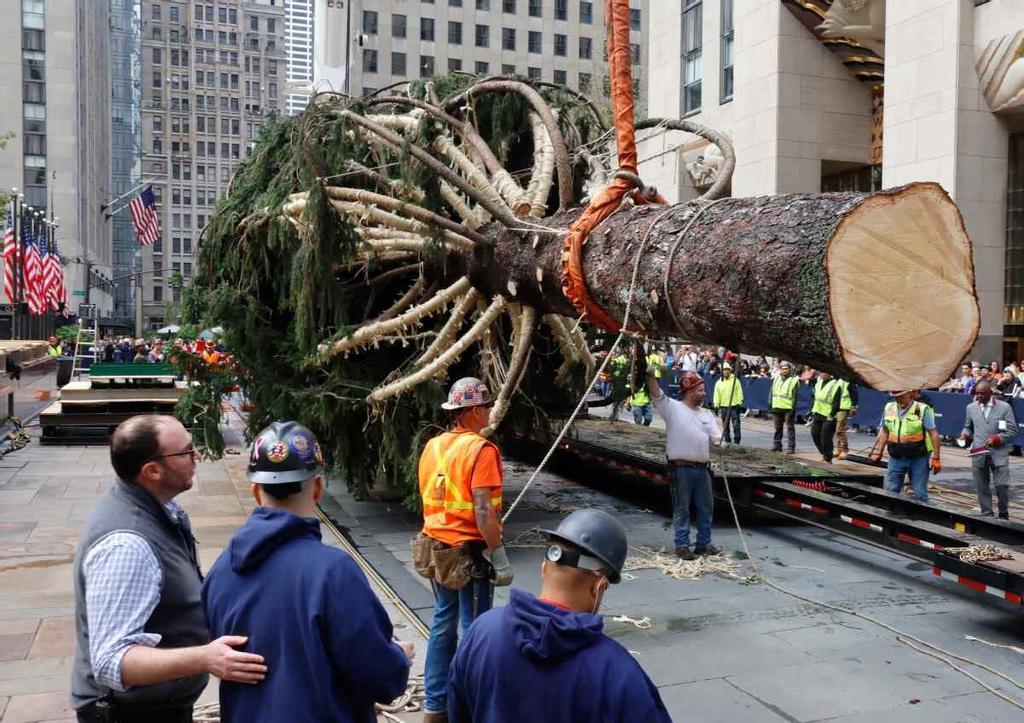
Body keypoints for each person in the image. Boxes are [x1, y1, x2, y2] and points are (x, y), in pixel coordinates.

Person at [202, 421, 412, 722]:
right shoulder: (334, 573)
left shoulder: (221, 571)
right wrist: (398, 659)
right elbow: (380, 677)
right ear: (317, 487)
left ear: (255, 491)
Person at [71, 415, 265, 722]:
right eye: (186, 452)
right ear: (152, 471)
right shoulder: (127, 546)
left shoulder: (161, 509)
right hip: (132, 715)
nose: (196, 456)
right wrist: (206, 658)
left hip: (159, 706)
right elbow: (111, 662)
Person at [447, 509, 671, 723]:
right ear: (599, 586)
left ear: (544, 567)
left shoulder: (482, 632)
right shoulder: (619, 673)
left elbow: (457, 712)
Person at [415, 377, 512, 722]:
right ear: (472, 411)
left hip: (435, 548)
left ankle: (435, 706)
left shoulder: (434, 446)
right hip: (468, 553)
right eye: (485, 406)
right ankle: (470, 710)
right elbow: (483, 511)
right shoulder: (481, 450)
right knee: (475, 630)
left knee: (443, 622)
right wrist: (498, 556)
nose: (488, 412)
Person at [644, 350, 722, 560]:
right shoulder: (673, 408)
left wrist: (718, 441)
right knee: (682, 508)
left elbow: (716, 436)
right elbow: (656, 393)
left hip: (702, 469)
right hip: (681, 468)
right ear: (689, 390)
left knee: (706, 508)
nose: (704, 393)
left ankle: (704, 544)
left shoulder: (707, 414)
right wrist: (651, 375)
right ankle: (682, 544)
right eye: (701, 389)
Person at [869, 390, 941, 502]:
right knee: (891, 491)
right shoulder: (889, 407)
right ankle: (891, 516)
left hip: (918, 458)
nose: (899, 400)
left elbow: (933, 433)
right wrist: (879, 452)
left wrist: (936, 458)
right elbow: (884, 431)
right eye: (896, 397)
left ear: (910, 394)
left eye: (901, 396)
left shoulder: (921, 409)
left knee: (919, 493)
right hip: (896, 458)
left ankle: (918, 517)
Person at [959, 381, 1018, 519]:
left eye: (982, 394)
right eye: (977, 393)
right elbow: (968, 426)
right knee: (981, 486)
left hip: (999, 453)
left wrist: (997, 439)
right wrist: (965, 434)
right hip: (979, 452)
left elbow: (1013, 429)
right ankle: (987, 514)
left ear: (990, 393)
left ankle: (1003, 513)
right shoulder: (971, 408)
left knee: (1001, 485)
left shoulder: (1005, 407)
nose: (979, 396)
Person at [809, 372, 842, 463]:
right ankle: (825, 453)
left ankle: (827, 458)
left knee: (825, 438)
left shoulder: (835, 385)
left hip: (829, 416)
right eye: (821, 372)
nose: (822, 374)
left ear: (829, 374)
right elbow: (815, 398)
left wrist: (832, 415)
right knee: (814, 434)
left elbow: (837, 401)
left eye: (824, 373)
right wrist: (811, 410)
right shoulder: (818, 383)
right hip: (818, 413)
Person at [771, 361, 799, 454]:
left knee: (790, 428)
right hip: (777, 406)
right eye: (783, 369)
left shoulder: (794, 380)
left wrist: (793, 408)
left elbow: (795, 396)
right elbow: (771, 393)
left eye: (786, 369)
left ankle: (791, 447)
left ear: (790, 369)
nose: (784, 370)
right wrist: (770, 404)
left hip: (788, 408)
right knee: (777, 428)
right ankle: (777, 445)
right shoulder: (776, 379)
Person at [712, 362, 744, 445]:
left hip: (734, 407)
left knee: (736, 425)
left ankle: (737, 441)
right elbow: (717, 395)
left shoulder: (735, 381)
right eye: (724, 370)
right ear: (722, 371)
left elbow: (739, 392)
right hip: (724, 407)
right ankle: (727, 440)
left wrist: (739, 403)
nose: (726, 372)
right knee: (725, 426)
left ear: (730, 371)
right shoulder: (719, 383)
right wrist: (716, 405)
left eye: (727, 370)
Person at [834, 379, 859, 460]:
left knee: (840, 429)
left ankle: (844, 450)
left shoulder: (849, 382)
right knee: (837, 430)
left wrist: (853, 407)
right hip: (837, 407)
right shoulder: (838, 381)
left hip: (844, 408)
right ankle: (839, 449)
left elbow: (854, 394)